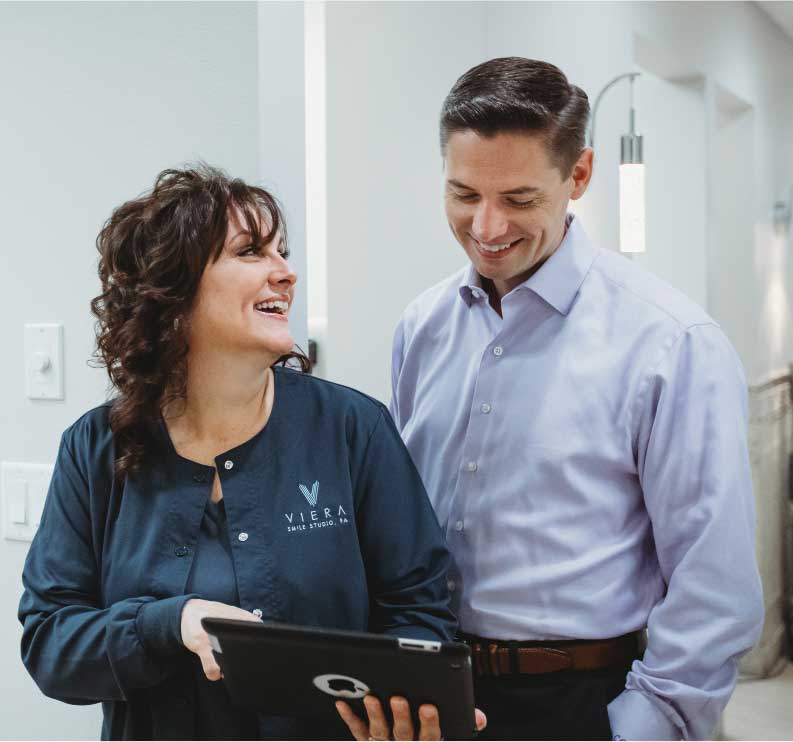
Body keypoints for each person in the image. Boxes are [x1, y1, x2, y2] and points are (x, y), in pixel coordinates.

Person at [19, 165, 484, 741]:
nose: (286, 274)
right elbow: (51, 643)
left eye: (283, 253)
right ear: (174, 288)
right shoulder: (96, 447)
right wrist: (172, 622)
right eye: (251, 252)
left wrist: (406, 702)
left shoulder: (352, 429)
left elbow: (420, 605)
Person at [389, 57, 764, 741]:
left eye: (519, 199)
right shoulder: (421, 327)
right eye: (463, 194)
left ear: (579, 176)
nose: (487, 225)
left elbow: (715, 587)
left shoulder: (668, 342)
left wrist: (641, 727)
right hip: (435, 696)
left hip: (581, 704)